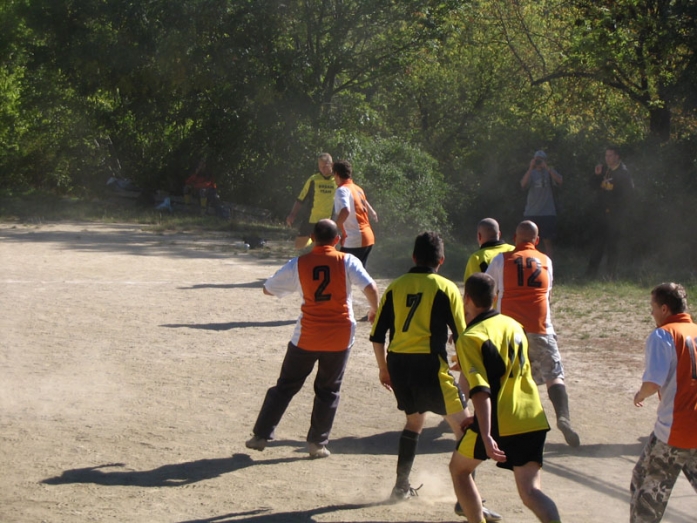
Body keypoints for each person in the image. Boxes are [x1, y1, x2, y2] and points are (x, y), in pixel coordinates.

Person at [370, 232, 501, 522]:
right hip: (430, 365)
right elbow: (462, 334)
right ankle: (467, 502)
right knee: (466, 430)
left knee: (414, 421)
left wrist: (383, 368)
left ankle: (401, 487)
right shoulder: (445, 287)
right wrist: (468, 367)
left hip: (398, 364)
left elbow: (377, 335)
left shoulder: (395, 286)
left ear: (413, 257)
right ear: (441, 260)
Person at [245, 219, 379, 458]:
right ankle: (317, 443)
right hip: (339, 336)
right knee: (329, 389)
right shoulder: (347, 260)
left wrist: (297, 285)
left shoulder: (298, 263)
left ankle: (260, 435)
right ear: (338, 239)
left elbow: (268, 289)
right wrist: (374, 310)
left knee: (285, 386)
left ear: (312, 238)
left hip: (307, 335)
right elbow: (371, 288)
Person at [451, 272, 561, 523]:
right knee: (531, 492)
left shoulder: (471, 337)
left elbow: (481, 390)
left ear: (466, 299)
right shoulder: (514, 325)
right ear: (495, 297)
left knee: (459, 470)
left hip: (500, 420)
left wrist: (486, 433)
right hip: (532, 417)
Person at [486, 220, 580, 447]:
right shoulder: (546, 260)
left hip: (509, 329)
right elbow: (548, 295)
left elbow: (487, 289)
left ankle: (503, 425)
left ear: (514, 238)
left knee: (506, 376)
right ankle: (563, 417)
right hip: (541, 327)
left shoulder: (501, 259)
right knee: (554, 374)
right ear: (537, 241)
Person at [630, 282, 697, 523]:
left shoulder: (663, 335)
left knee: (646, 498)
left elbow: (653, 383)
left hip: (676, 430)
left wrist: (640, 395)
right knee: (640, 475)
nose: (652, 312)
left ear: (665, 309)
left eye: (653, 307)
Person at [586, 145, 634, 278]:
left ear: (617, 156)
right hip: (601, 214)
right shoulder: (604, 170)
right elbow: (592, 186)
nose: (607, 158)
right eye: (606, 155)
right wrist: (596, 175)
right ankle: (590, 274)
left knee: (613, 246)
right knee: (598, 244)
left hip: (615, 216)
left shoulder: (623, 173)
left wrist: (617, 209)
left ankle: (610, 275)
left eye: (610, 155)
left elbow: (628, 195)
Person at [286, 153, 337, 250]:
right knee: (299, 246)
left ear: (332, 165)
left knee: (327, 249)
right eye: (320, 167)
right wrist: (292, 214)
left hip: (329, 221)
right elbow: (301, 198)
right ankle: (311, 245)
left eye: (325, 167)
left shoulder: (337, 180)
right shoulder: (313, 179)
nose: (322, 170)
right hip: (311, 219)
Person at [332, 159, 378, 268]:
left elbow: (345, 210)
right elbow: (364, 204)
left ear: (337, 174)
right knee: (357, 273)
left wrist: (334, 228)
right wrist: (373, 212)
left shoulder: (342, 190)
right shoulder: (357, 189)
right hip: (368, 237)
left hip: (354, 238)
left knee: (341, 271)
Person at [520, 150, 562, 259]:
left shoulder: (549, 172)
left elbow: (560, 181)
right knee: (528, 240)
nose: (539, 162)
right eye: (537, 160)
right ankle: (529, 261)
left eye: (541, 160)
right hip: (531, 211)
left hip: (547, 212)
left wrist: (547, 168)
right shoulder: (531, 173)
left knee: (548, 240)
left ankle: (548, 263)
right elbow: (523, 184)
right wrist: (530, 168)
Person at [463, 218, 514, 285]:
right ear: (499, 234)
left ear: (479, 236)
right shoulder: (514, 250)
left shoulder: (477, 258)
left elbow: (471, 288)